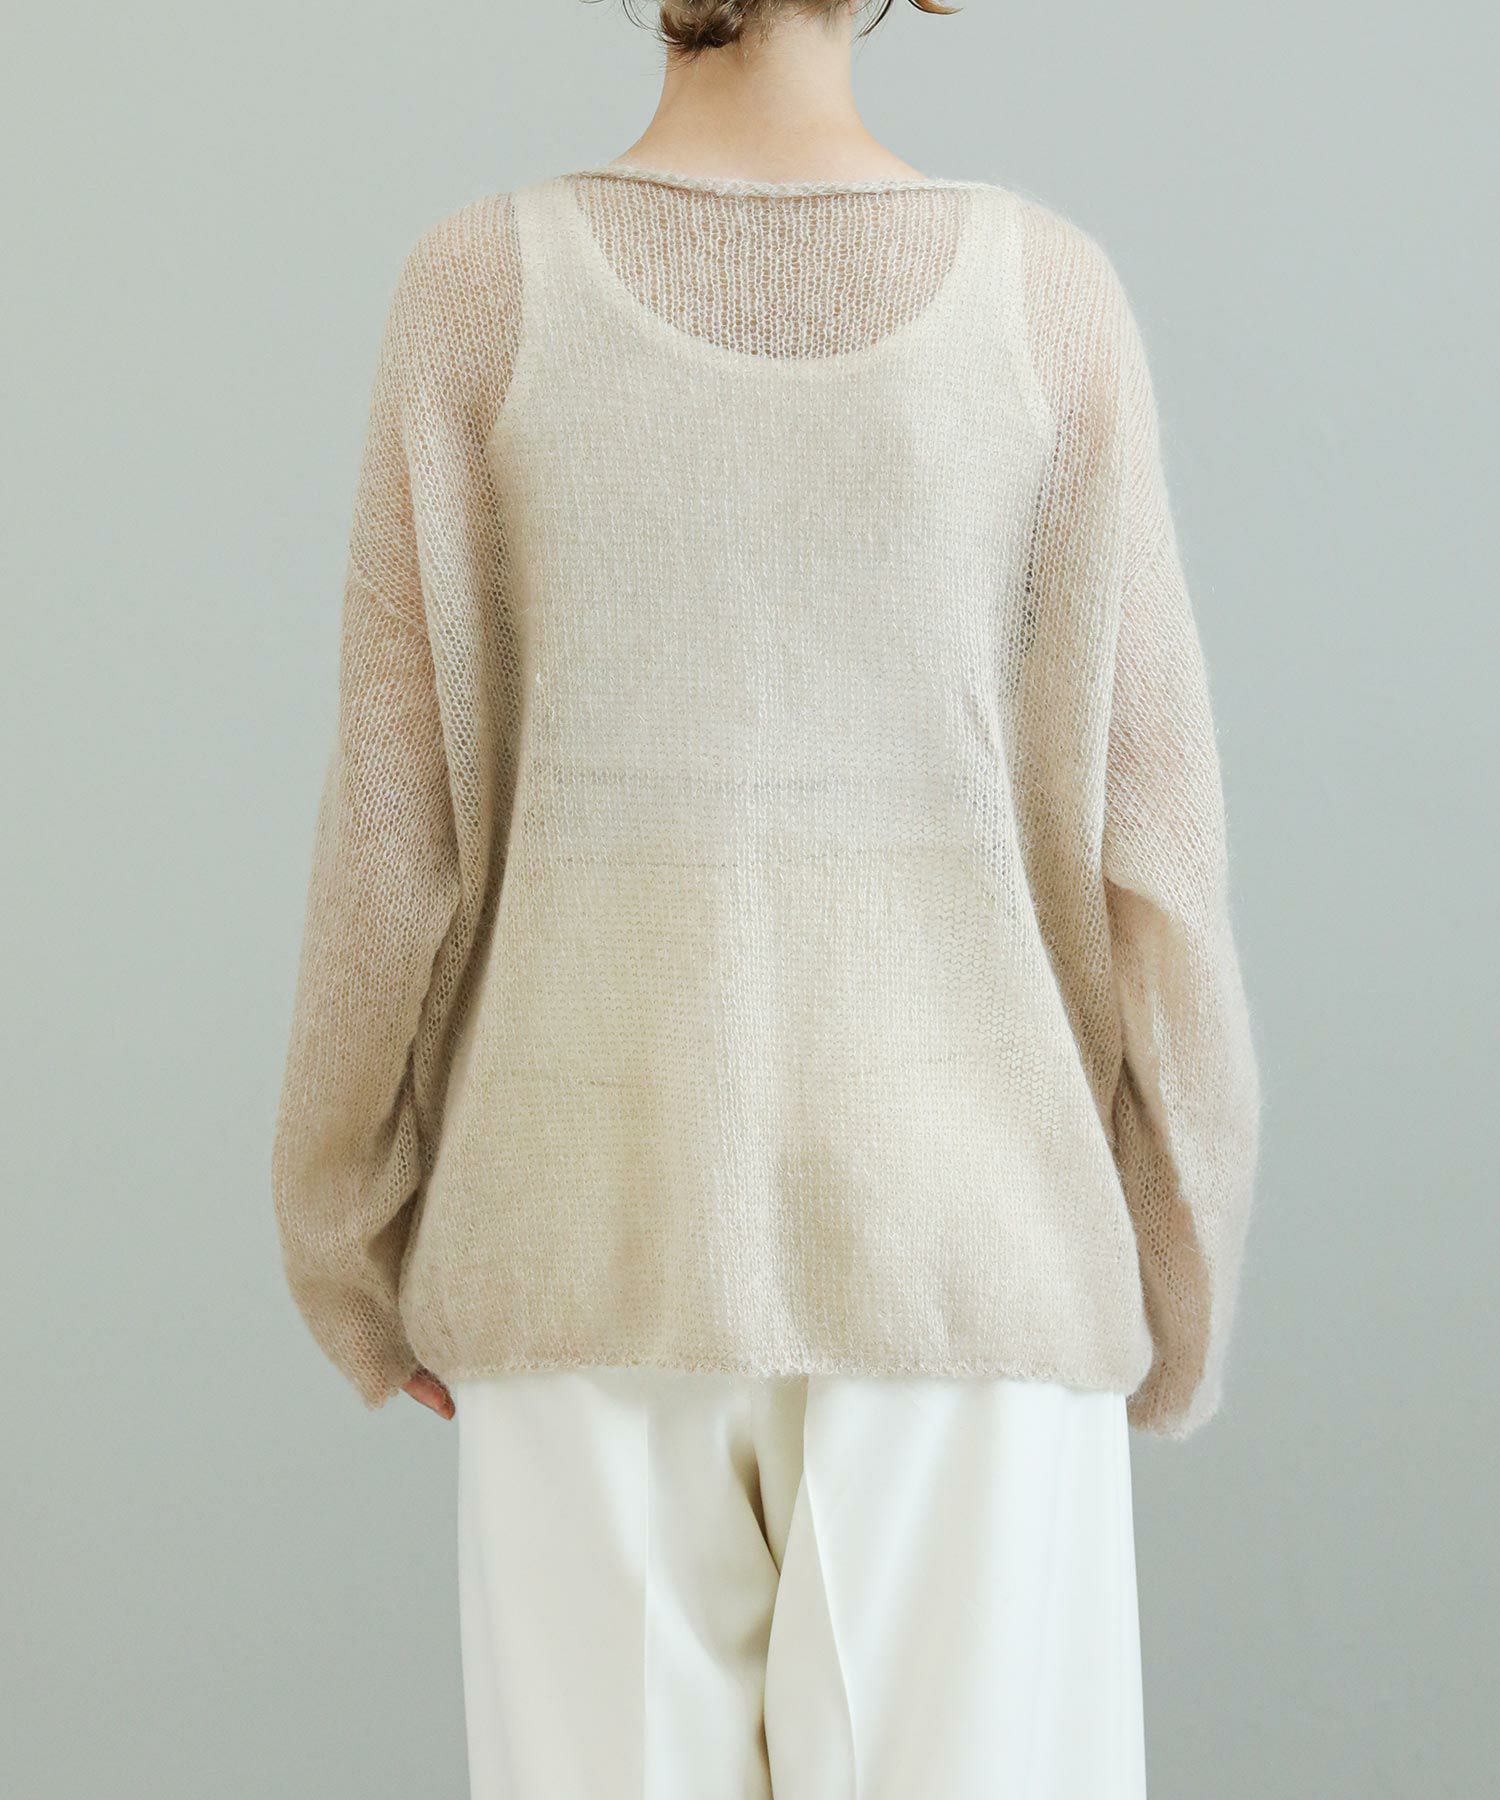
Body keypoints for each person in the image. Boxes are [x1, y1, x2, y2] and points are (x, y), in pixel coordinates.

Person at [270, 1, 1261, 1793]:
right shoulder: (1047, 304)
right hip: (973, 1265)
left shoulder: (477, 294)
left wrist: (353, 1244)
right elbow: (1160, 863)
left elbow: (392, 849)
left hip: (585, 1254)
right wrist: (1174, 1280)